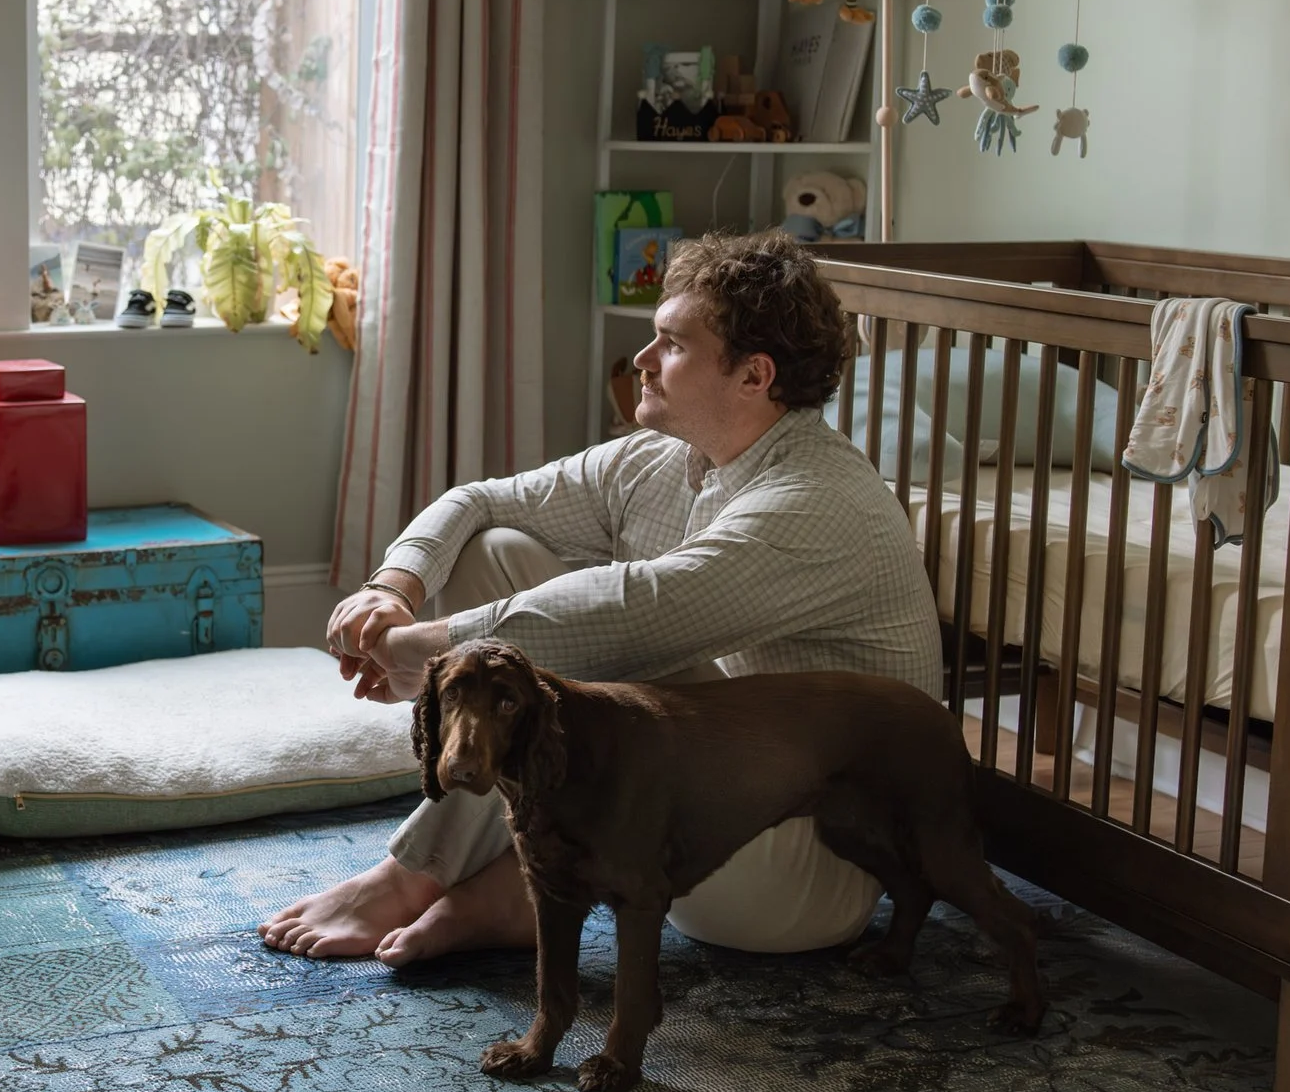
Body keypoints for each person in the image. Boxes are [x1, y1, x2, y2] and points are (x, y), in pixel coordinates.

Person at [259, 230, 941, 964]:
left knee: (607, 644)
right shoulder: (665, 456)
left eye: (672, 345)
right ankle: (522, 882)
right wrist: (393, 589)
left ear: (754, 376)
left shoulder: (815, 500)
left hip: (800, 878)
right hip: (705, 809)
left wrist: (429, 654)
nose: (643, 362)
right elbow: (480, 502)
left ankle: (420, 874)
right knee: (498, 552)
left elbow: (635, 613)